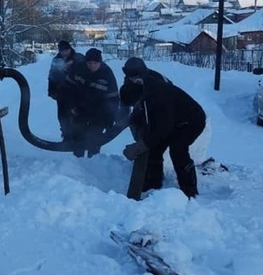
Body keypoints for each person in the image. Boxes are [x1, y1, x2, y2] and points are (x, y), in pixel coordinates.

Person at [119, 57, 206, 198]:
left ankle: (189, 191)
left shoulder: (156, 93)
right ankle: (154, 184)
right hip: (171, 118)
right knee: (155, 148)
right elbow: (137, 115)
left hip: (191, 120)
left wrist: (141, 145)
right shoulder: (132, 81)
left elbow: (162, 128)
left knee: (178, 149)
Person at [62, 47, 120, 157]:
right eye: (89, 63)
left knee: (94, 139)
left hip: (99, 111)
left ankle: (93, 162)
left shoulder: (107, 74)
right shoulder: (78, 69)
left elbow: (113, 99)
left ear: (100, 62)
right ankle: (77, 161)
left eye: (95, 63)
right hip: (80, 109)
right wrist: (71, 106)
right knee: (78, 136)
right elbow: (68, 89)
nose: (92, 66)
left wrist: (110, 119)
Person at [48, 40, 84, 141]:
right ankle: (66, 135)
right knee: (62, 116)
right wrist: (51, 90)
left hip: (75, 93)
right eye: (62, 51)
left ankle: (76, 137)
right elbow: (52, 75)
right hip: (61, 92)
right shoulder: (56, 60)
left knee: (74, 115)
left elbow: (83, 73)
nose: (65, 52)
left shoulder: (78, 58)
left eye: (66, 50)